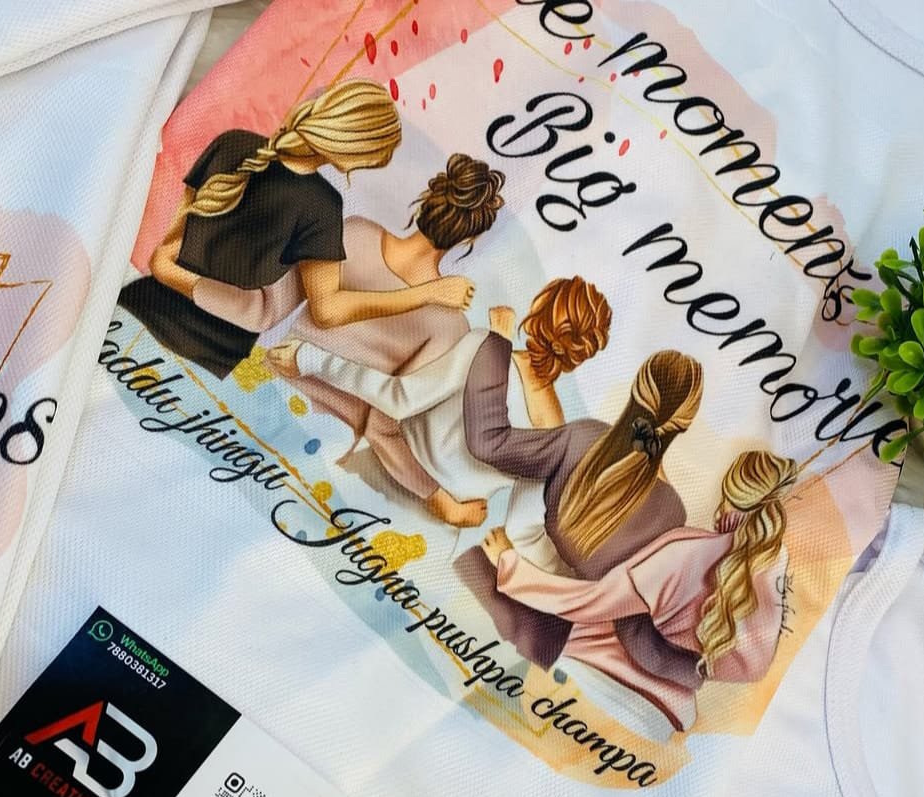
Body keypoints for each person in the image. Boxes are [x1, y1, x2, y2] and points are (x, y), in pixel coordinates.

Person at [117, 79, 474, 379]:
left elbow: (166, 256)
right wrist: (426, 294)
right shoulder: (323, 206)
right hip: (206, 354)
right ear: (355, 150)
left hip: (137, 306)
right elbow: (327, 311)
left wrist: (173, 275)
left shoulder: (234, 142)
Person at [265, 276, 612, 537]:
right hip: (441, 528)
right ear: (581, 354)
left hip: (385, 476)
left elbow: (399, 399)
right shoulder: (556, 429)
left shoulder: (486, 349)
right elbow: (523, 519)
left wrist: (312, 359)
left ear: (537, 314)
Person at [480, 449, 798, 733]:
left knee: (503, 584)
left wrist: (510, 566)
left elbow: (589, 603)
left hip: (625, 672)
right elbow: (751, 665)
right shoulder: (773, 560)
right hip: (679, 699)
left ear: (729, 492)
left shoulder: (682, 554)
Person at [282, 153, 506, 528]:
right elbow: (383, 427)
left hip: (264, 380)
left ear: (428, 197)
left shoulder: (355, 233)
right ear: (470, 237)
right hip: (322, 435)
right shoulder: (450, 327)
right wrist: (440, 501)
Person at [461, 344, 705, 683]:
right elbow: (635, 634)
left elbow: (487, 443)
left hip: (488, 581)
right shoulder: (671, 515)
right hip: (546, 638)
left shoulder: (582, 438)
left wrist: (496, 340)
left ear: (636, 389)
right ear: (685, 424)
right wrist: (698, 672)